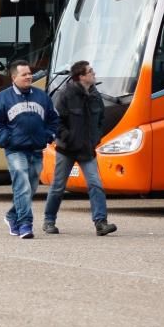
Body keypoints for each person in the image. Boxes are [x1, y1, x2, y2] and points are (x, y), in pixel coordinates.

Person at [42, 60, 118, 236]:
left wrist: (95, 138)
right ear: (81, 77)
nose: (94, 73)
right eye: (90, 71)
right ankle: (49, 221)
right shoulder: (66, 95)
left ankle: (101, 223)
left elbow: (101, 120)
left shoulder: (94, 94)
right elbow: (55, 121)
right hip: (66, 149)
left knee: (95, 184)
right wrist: (67, 137)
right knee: (58, 186)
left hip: (87, 149)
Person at [0, 59, 59, 239]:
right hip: (15, 151)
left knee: (30, 188)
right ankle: (25, 224)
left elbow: (54, 120)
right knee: (23, 186)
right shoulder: (3, 98)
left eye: (29, 73)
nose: (29, 77)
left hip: (36, 149)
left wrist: (48, 136)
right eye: (24, 74)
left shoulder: (42, 97)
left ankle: (12, 215)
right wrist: (7, 140)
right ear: (14, 77)